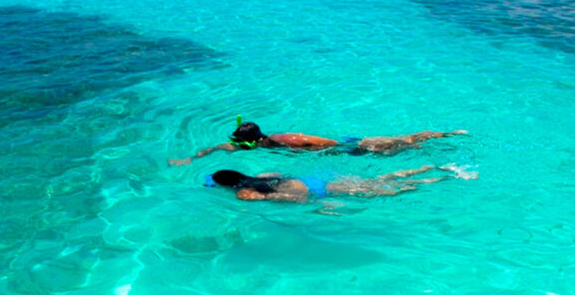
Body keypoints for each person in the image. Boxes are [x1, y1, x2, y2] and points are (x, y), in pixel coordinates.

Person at [168, 118, 468, 165]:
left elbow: (322, 141)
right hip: (338, 153)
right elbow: (217, 148)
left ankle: (445, 134)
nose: (237, 146)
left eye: (241, 143)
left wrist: (340, 148)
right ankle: (431, 142)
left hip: (345, 146)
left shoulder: (288, 140)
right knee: (398, 148)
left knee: (399, 144)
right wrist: (189, 159)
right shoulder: (255, 144)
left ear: (254, 139)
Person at [203, 164, 476, 203]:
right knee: (379, 180)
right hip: (314, 180)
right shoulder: (256, 178)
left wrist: (320, 206)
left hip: (317, 191)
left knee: (384, 193)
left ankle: (443, 178)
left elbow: (273, 199)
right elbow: (277, 172)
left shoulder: (246, 192)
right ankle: (434, 167)